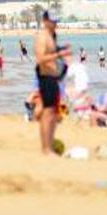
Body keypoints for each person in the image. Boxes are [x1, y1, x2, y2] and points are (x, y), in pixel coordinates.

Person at [33, 11, 70, 156]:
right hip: (46, 77)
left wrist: (61, 49)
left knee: (54, 113)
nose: (55, 24)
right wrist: (59, 54)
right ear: (45, 21)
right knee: (47, 113)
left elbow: (51, 52)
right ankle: (46, 148)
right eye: (52, 21)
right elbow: (41, 58)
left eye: (56, 21)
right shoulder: (42, 36)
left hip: (54, 78)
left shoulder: (52, 36)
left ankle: (50, 145)